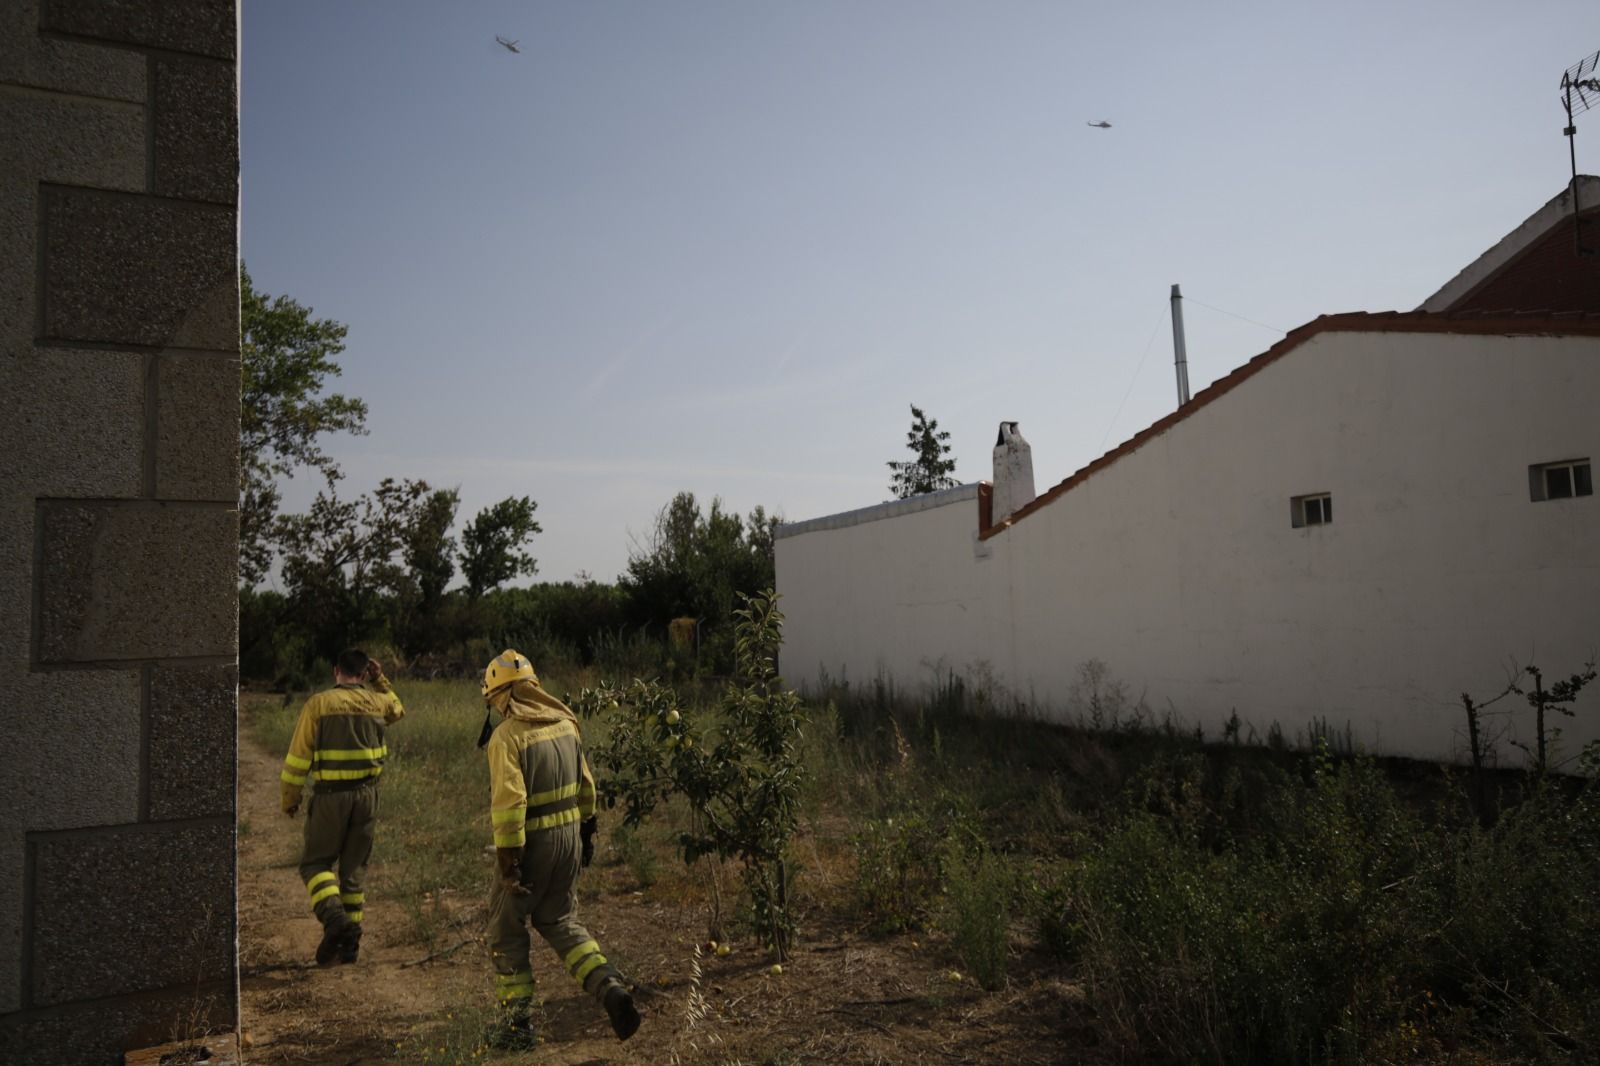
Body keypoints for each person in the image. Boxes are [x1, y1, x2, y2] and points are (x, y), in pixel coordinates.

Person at [480, 649, 640, 1047]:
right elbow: (587, 786)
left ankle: (516, 1029)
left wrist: (509, 862)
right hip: (569, 836)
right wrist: (586, 835)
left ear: (501, 696)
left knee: (505, 931)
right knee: (560, 920)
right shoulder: (565, 724)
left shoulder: (507, 737)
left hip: (531, 843)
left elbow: (510, 805)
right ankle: (610, 988)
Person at [279, 648, 405, 966]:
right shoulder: (378, 702)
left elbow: (298, 758)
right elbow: (398, 710)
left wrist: (290, 798)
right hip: (367, 798)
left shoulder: (319, 704)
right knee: (353, 874)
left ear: (336, 671)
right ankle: (350, 947)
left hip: (330, 798)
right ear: (363, 674)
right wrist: (381, 679)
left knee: (316, 865)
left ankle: (335, 920)